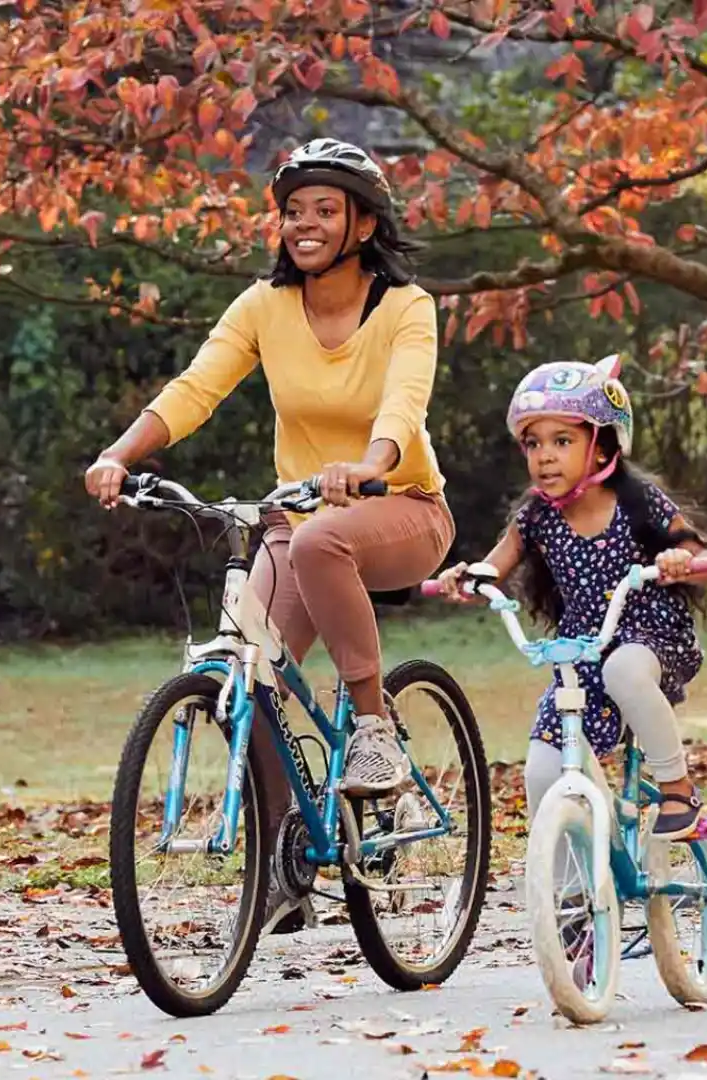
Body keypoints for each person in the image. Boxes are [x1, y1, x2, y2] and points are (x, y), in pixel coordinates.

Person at [85, 138, 455, 926]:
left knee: (325, 541)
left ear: (362, 224)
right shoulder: (263, 307)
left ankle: (374, 730)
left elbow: (404, 404)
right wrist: (118, 455)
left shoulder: (404, 308)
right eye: (293, 212)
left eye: (326, 210)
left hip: (403, 509)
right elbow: (195, 390)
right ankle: (286, 861)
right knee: (241, 674)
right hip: (298, 518)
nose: (305, 225)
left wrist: (369, 463)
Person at [432, 356, 707, 841]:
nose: (544, 456)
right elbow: (495, 564)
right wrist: (470, 578)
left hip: (651, 641)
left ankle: (677, 789)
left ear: (603, 443)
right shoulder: (535, 518)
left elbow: (706, 556)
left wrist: (680, 559)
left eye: (562, 441)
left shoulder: (639, 501)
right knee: (543, 772)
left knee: (624, 670)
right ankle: (568, 906)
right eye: (533, 443)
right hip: (583, 655)